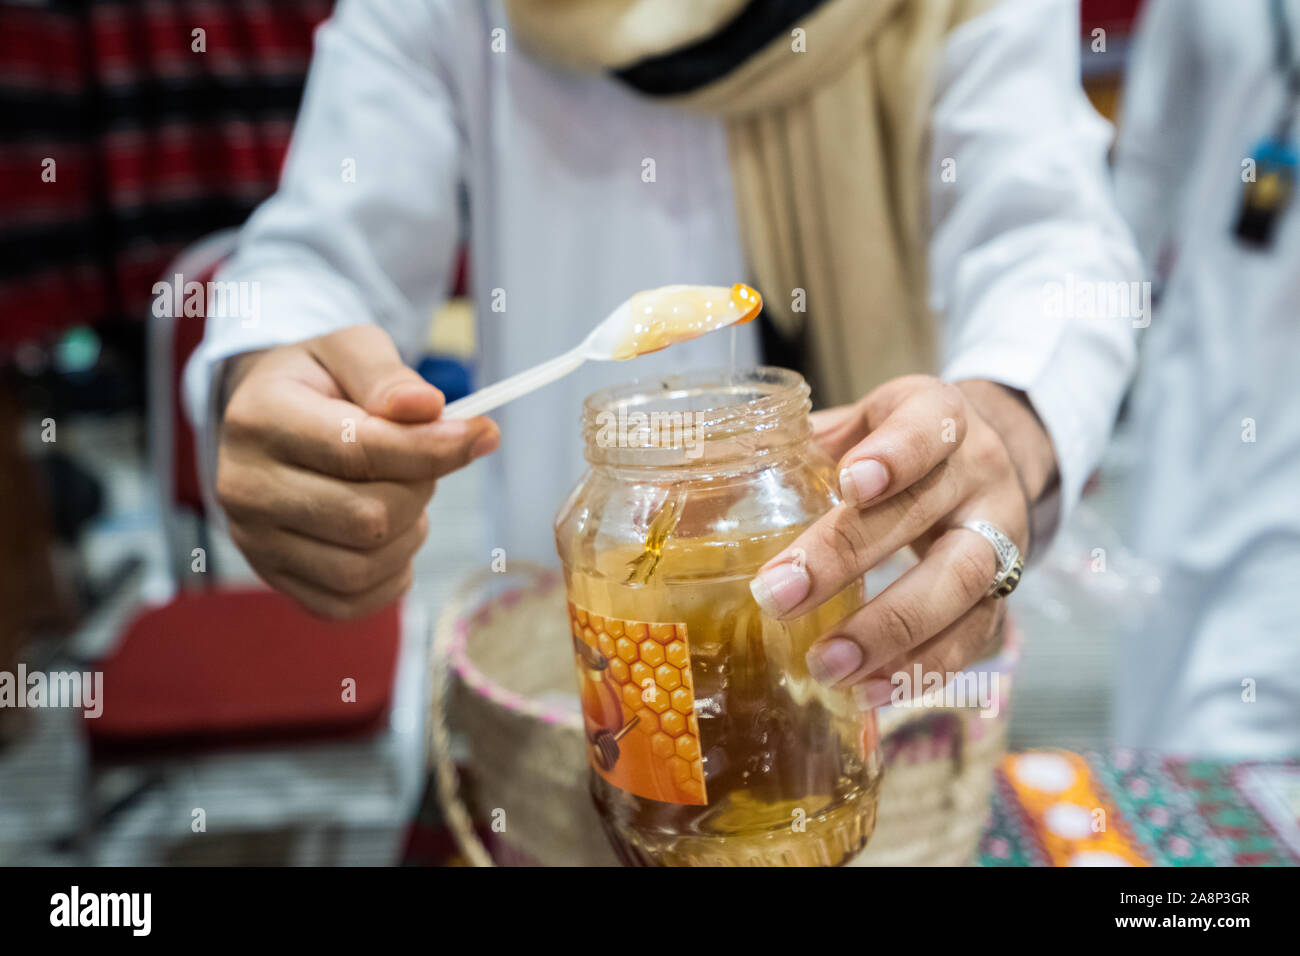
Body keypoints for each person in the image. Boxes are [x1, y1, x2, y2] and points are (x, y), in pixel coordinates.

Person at [185, 0, 1140, 705]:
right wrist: (275, 368)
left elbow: (1050, 237)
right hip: (586, 672)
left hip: (883, 656)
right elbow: (319, 253)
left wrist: (1003, 423)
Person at [1112, 0, 1300, 755]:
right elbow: (1147, 166)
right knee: (1159, 693)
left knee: (1240, 720)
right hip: (1201, 384)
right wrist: (1087, 395)